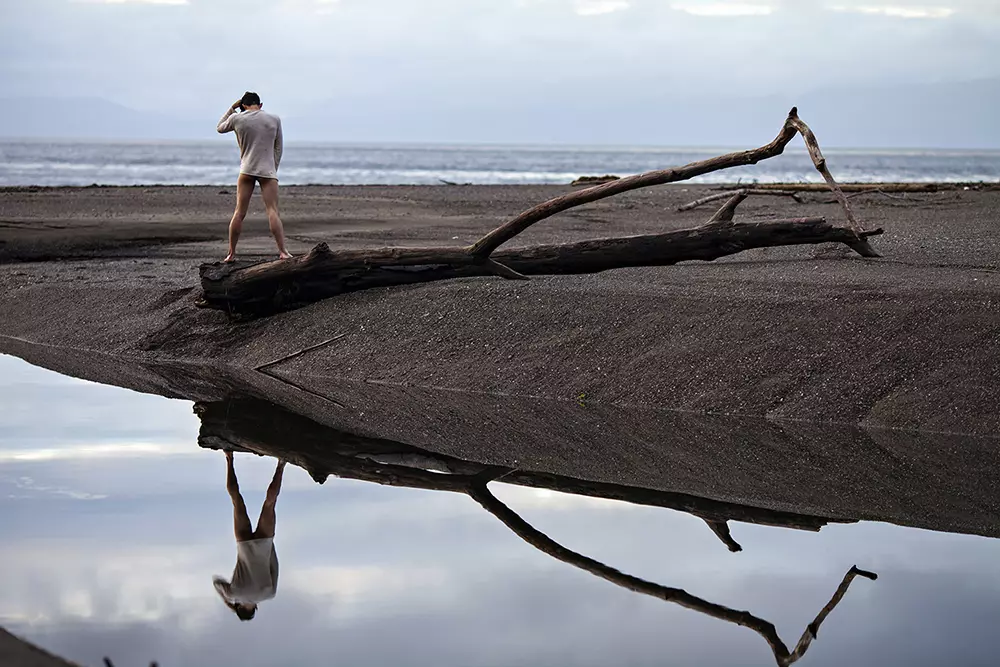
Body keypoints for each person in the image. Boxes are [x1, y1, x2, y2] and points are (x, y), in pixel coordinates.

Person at [216, 91, 292, 263]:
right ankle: (283, 252)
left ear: (243, 105)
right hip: (268, 170)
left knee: (239, 212)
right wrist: (274, 169)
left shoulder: (237, 119)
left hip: (246, 169)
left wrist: (232, 108)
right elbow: (278, 148)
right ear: (261, 105)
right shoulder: (274, 119)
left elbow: (220, 127)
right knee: (272, 211)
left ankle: (231, 253)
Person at [213, 451, 285, 621]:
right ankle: (229, 458)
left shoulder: (269, 594)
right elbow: (216, 582)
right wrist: (227, 600)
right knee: (236, 499)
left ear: (255, 609)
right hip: (244, 543)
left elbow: (274, 565)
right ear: (239, 606)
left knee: (270, 504)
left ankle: (281, 463)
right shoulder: (233, 593)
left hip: (264, 545)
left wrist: (269, 545)